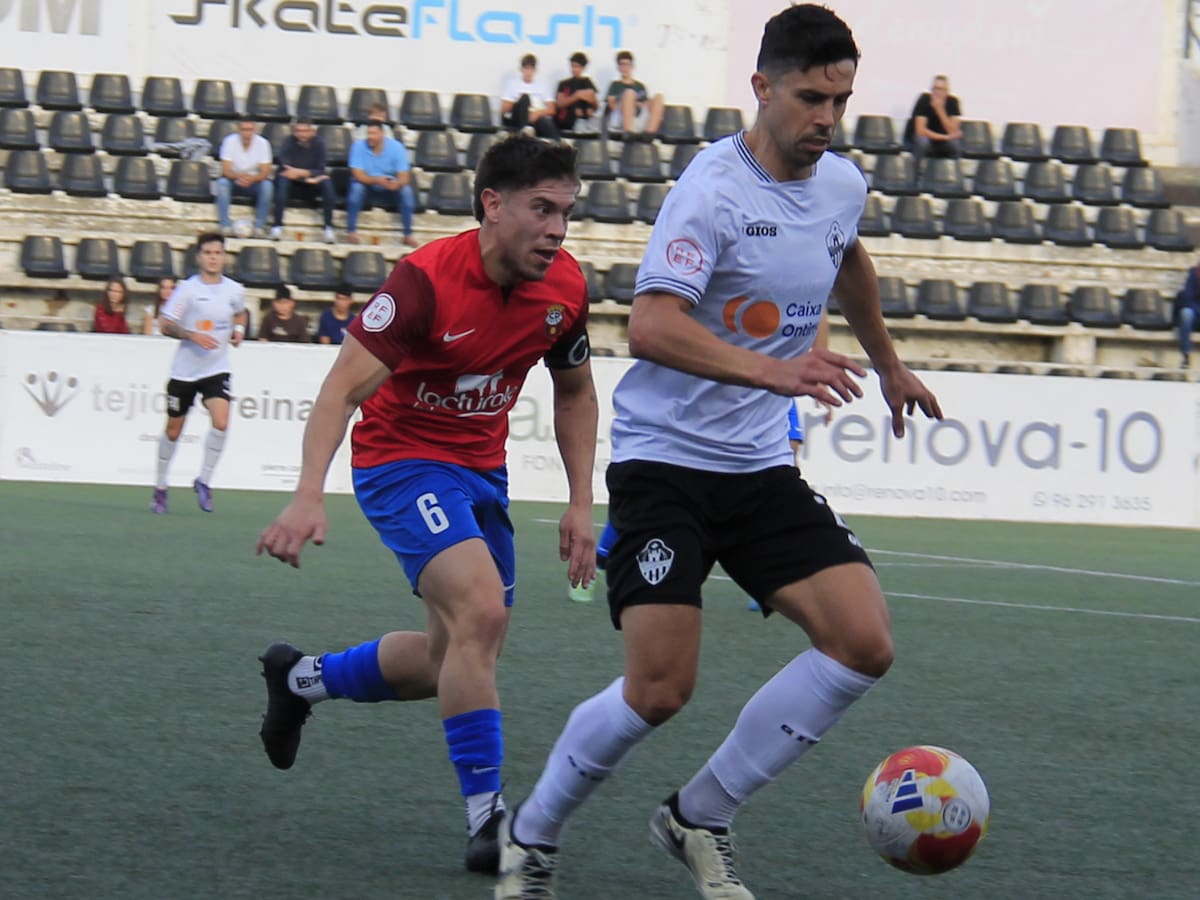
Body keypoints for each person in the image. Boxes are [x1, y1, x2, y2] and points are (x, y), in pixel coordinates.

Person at [496, 7, 943, 899]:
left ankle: (699, 814)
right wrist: (773, 373)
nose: (826, 117)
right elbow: (653, 325)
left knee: (863, 642)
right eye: (811, 98)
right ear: (763, 88)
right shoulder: (711, 190)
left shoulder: (841, 184)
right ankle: (533, 833)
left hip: (758, 470)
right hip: (665, 465)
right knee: (660, 689)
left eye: (840, 100)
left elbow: (846, 255)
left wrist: (890, 363)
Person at [254, 134, 598, 877]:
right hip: (401, 463)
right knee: (483, 611)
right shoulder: (423, 282)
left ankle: (299, 679)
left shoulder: (566, 287)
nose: (556, 230)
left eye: (565, 213)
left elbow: (575, 393)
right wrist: (309, 494)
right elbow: (341, 390)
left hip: (482, 476)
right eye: (541, 210)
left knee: (450, 658)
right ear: (491, 204)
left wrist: (580, 502)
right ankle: (488, 822)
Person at [152, 233, 247, 514]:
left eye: (218, 252)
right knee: (173, 429)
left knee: (221, 422)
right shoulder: (187, 290)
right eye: (208, 252)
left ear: (224, 256)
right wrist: (191, 334)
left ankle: (204, 480)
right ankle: (160, 486)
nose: (214, 257)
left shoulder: (233, 289)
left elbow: (240, 313)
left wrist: (239, 331)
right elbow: (166, 323)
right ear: (199, 257)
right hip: (185, 371)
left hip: (216, 368)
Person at [346, 121, 418, 247]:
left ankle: (408, 234)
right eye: (369, 133)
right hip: (367, 187)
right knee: (356, 188)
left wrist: (397, 184)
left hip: (389, 189)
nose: (370, 137)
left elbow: (405, 177)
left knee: (406, 191)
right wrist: (378, 180)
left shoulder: (397, 148)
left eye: (374, 133)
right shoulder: (358, 147)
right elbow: (358, 175)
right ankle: (351, 232)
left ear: (382, 134)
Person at [271, 117, 337, 244]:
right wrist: (308, 176)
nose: (301, 134)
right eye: (298, 131)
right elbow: (287, 170)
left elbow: (321, 170)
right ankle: (276, 226)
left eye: (305, 131)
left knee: (327, 183)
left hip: (311, 186)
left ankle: (329, 228)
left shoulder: (319, 144)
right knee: (282, 180)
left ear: (312, 132)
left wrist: (303, 174)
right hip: (293, 185)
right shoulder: (288, 142)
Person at [215, 118, 274, 237]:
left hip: (254, 182)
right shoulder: (229, 141)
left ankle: (259, 226)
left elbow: (265, 171)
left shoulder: (263, 143)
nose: (247, 133)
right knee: (222, 183)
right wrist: (240, 177)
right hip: (234, 180)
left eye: (250, 130)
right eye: (244, 129)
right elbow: (226, 169)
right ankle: (225, 225)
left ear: (255, 130)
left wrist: (252, 179)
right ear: (239, 130)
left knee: (268, 186)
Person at [903, 74, 963, 175]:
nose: (938, 92)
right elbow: (920, 131)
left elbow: (953, 130)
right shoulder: (924, 100)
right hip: (925, 139)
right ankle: (915, 176)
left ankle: (954, 176)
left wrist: (940, 110)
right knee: (922, 142)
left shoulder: (953, 102)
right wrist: (946, 137)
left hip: (942, 141)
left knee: (955, 145)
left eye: (941, 89)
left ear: (947, 91)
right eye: (935, 89)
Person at [605, 50, 665, 140]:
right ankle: (627, 133)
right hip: (621, 118)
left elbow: (646, 105)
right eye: (622, 65)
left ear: (632, 66)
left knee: (659, 97)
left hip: (638, 115)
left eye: (627, 64)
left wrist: (637, 104)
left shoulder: (640, 86)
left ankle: (649, 134)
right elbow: (612, 105)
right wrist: (628, 102)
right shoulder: (615, 85)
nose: (625, 68)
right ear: (618, 67)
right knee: (629, 93)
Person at [501, 53, 562, 140]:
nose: (528, 72)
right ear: (521, 69)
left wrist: (537, 113)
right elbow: (505, 109)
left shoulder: (542, 86)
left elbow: (552, 109)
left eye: (531, 69)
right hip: (518, 116)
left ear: (535, 70)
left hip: (536, 116)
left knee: (547, 125)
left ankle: (558, 144)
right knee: (525, 98)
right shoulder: (512, 84)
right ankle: (524, 130)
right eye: (526, 69)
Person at [555, 51, 601, 135]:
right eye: (573, 66)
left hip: (586, 117)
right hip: (569, 119)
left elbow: (596, 105)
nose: (574, 69)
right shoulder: (564, 83)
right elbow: (560, 104)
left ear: (583, 68)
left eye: (578, 67)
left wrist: (589, 99)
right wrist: (577, 96)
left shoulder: (587, 82)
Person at [1176, 264, 1200, 368]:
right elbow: (1187, 297)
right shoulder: (1194, 274)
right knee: (1186, 313)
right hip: (1195, 312)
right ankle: (1185, 355)